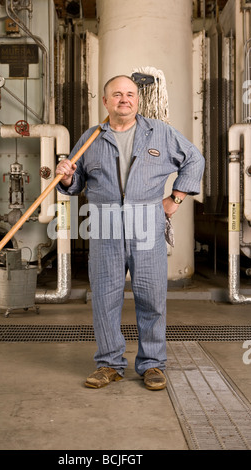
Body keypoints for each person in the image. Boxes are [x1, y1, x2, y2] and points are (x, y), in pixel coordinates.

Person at [55, 75, 205, 390]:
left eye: (130, 94)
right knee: (105, 298)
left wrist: (175, 198)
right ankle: (109, 364)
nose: (125, 99)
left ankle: (152, 365)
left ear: (137, 100)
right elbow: (76, 181)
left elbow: (195, 160)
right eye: (117, 95)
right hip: (105, 224)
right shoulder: (91, 137)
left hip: (147, 223)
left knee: (151, 298)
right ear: (106, 101)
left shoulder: (159, 133)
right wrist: (66, 177)